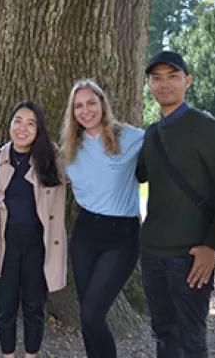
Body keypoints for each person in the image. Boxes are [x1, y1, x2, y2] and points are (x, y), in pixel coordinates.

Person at [137, 51, 215, 357]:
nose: (164, 84)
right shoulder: (152, 134)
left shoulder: (208, 127)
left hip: (191, 257)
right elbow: (137, 173)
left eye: (172, 76)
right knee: (163, 334)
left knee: (191, 341)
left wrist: (212, 246)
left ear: (188, 81)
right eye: (156, 78)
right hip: (152, 253)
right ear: (149, 84)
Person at [0, 101, 67, 358]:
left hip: (38, 244)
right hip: (4, 244)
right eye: (18, 121)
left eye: (30, 123)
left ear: (39, 130)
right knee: (5, 307)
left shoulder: (52, 159)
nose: (22, 128)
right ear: (10, 124)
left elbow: (85, 163)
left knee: (35, 306)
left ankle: (32, 355)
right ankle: (8, 355)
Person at [60, 79, 143, 358]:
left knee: (93, 315)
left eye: (91, 103)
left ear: (102, 104)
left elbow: (165, 151)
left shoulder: (129, 137)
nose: (86, 111)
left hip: (121, 236)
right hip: (85, 232)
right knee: (87, 315)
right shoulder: (70, 148)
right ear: (73, 113)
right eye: (78, 106)